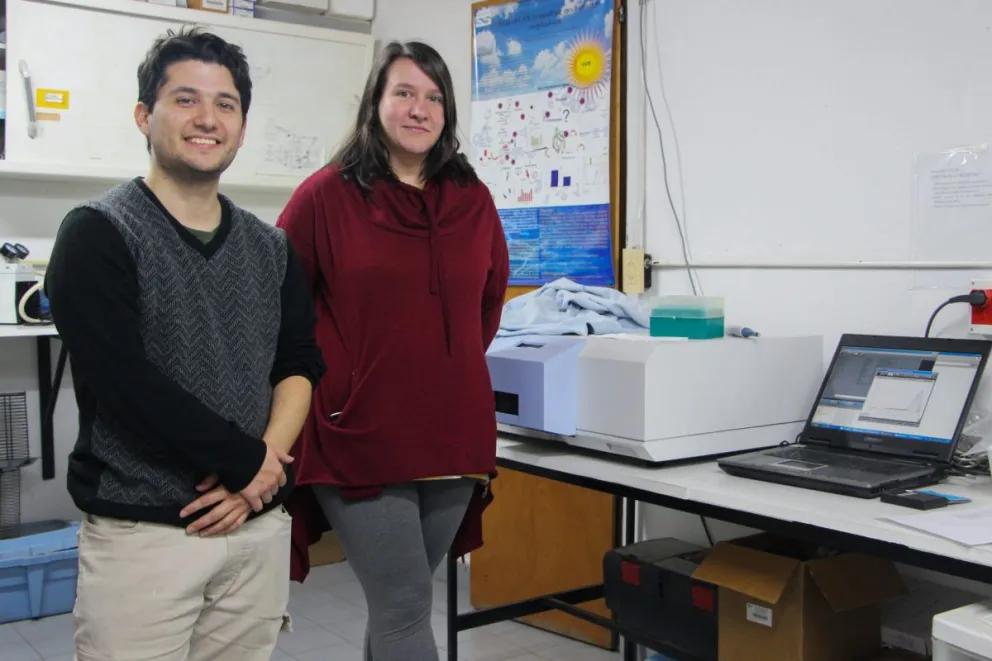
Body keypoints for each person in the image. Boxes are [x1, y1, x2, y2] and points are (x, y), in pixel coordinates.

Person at [44, 26, 325, 661]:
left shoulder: (271, 247)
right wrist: (246, 463)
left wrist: (261, 470)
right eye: (185, 99)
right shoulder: (97, 232)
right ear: (145, 115)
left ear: (243, 126)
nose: (207, 119)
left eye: (225, 104)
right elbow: (124, 383)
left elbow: (299, 361)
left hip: (255, 529)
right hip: (144, 537)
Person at [276, 40, 509, 660]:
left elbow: (488, 301)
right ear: (375, 102)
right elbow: (281, 307)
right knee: (406, 606)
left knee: (396, 607)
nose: (419, 109)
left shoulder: (473, 199)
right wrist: (342, 382)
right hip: (359, 431)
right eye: (404, 92)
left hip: (454, 432)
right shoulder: (326, 196)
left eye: (434, 97)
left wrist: (444, 367)